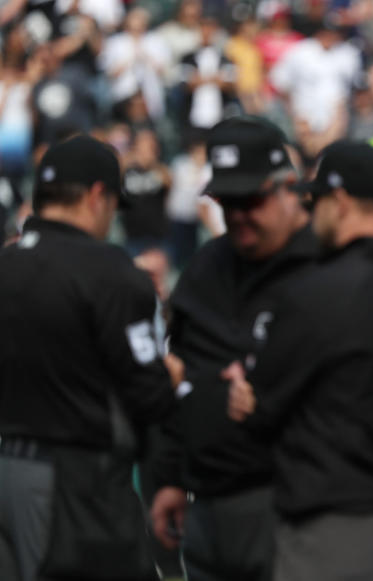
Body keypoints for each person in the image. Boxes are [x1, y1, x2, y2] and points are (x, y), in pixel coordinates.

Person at [226, 140, 373, 581]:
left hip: (336, 521)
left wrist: (242, 398)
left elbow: (260, 408)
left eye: (318, 199)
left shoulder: (317, 292)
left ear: (340, 201)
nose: (312, 212)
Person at [0, 135, 177, 581]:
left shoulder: (6, 265)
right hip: (75, 484)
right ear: (98, 195)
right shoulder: (111, 271)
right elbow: (149, 395)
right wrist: (171, 375)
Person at [148, 115, 318, 581]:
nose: (238, 214)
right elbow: (178, 379)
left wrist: (272, 401)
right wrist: (168, 478)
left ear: (288, 187)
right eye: (227, 201)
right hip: (210, 505)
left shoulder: (328, 267)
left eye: (252, 199)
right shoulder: (206, 267)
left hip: (303, 507)